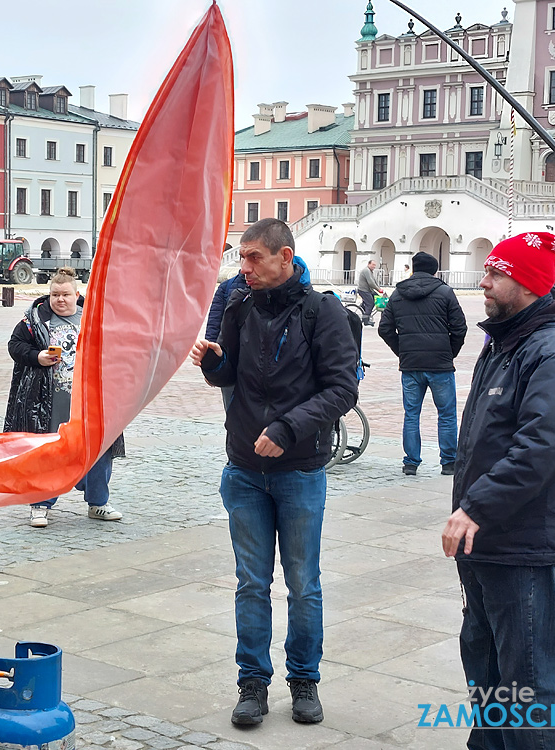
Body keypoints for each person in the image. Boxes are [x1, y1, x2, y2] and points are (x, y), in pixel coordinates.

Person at [190, 218, 358, 727]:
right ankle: (253, 683)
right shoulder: (239, 305)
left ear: (285, 257)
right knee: (250, 583)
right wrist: (212, 362)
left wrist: (287, 428)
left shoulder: (322, 311)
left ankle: (304, 679)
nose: (243, 268)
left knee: (304, 583)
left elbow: (342, 390)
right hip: (243, 468)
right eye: (240, 258)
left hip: (300, 470)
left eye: (253, 258)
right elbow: (230, 373)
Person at [442, 231, 555, 750]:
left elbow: (542, 446)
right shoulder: (504, 339)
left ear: (526, 283)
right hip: (488, 538)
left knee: (526, 677)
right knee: (483, 657)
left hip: (525, 540)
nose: (483, 281)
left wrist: (475, 507)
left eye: (496, 273)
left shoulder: (553, 350)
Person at [5, 267, 125, 528]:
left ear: (76, 294)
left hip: (90, 400)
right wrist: (37, 357)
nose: (60, 299)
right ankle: (41, 504)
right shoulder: (34, 320)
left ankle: (98, 503)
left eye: (65, 295)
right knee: (50, 451)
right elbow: (15, 346)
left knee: (98, 449)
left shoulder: (93, 317)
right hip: (47, 400)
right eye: (55, 295)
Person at [377, 251, 467, 476]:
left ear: (414, 269)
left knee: (411, 414)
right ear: (435, 270)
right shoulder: (445, 292)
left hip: (411, 365)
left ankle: (411, 462)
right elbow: (459, 327)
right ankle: (448, 462)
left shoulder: (398, 294)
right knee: (446, 414)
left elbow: (384, 328)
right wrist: (449, 352)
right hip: (440, 364)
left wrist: (402, 351)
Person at [206, 272, 248, 411]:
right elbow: (214, 325)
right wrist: (210, 364)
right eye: (243, 256)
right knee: (233, 415)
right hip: (230, 362)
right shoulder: (226, 287)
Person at [356, 258, 383, 326]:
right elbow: (371, 282)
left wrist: (379, 289)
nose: (374, 266)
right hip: (363, 290)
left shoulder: (370, 271)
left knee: (377, 298)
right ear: (369, 264)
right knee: (370, 304)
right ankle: (366, 321)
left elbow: (374, 281)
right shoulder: (366, 270)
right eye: (373, 265)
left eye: (375, 265)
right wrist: (378, 289)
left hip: (369, 290)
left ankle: (364, 308)